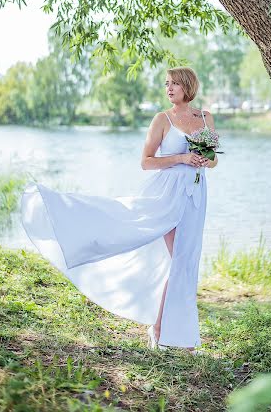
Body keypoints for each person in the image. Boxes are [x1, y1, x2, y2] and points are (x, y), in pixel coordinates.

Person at [21, 66, 217, 354]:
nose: (169, 88)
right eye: (166, 84)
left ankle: (171, 333)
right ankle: (165, 332)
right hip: (166, 194)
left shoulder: (205, 118)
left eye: (174, 83)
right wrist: (182, 158)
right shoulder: (162, 119)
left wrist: (202, 160)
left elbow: (213, 160)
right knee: (180, 260)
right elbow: (146, 162)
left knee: (186, 261)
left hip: (196, 194)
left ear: (188, 86)